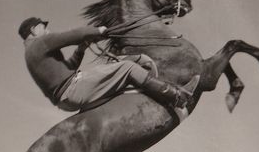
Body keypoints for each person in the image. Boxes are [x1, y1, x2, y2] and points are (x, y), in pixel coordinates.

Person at [18, 17, 200, 113]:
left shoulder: (30, 53)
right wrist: (98, 30)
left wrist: (81, 49)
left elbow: (69, 67)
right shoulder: (38, 43)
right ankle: (177, 97)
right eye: (44, 26)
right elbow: (71, 35)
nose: (48, 29)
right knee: (126, 67)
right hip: (74, 89)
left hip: (67, 98)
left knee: (132, 61)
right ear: (34, 30)